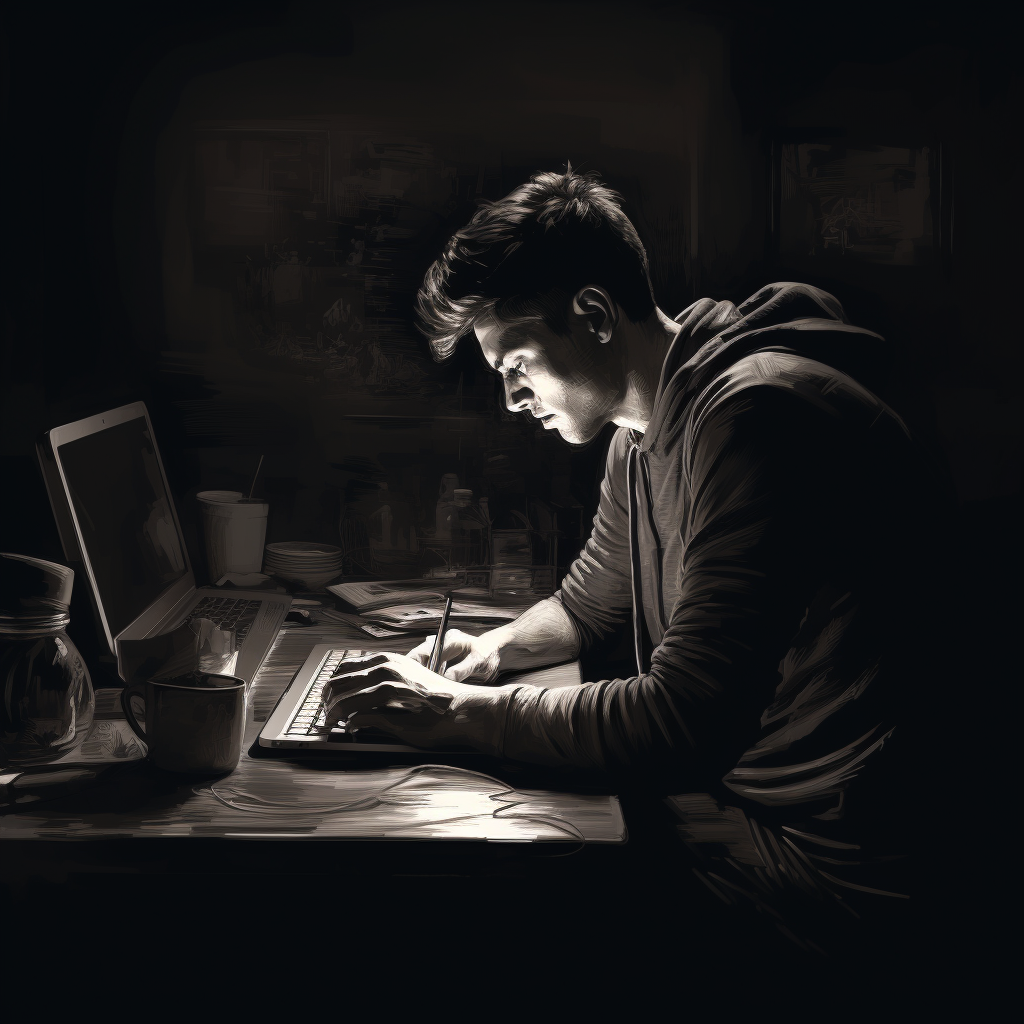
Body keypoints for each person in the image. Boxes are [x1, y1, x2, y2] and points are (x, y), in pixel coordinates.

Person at [322, 169, 942, 939]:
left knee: (481, 905)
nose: (511, 400)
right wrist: (491, 653)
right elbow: (589, 603)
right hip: (748, 806)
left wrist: (454, 712)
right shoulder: (640, 434)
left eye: (517, 365)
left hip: (841, 864)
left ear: (593, 315)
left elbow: (682, 720)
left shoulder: (755, 420)